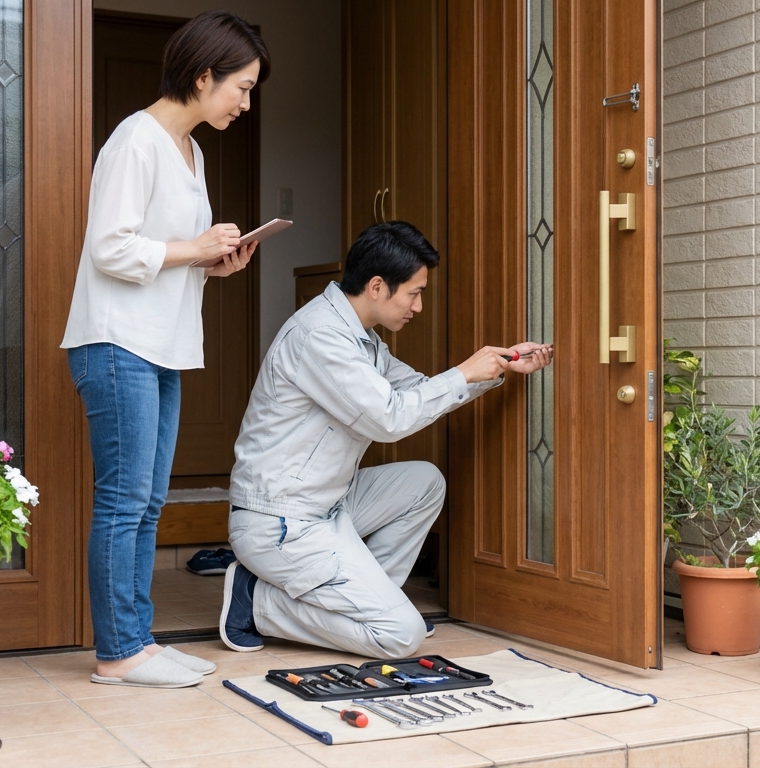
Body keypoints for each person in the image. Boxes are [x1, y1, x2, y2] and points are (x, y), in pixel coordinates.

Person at [220, 221, 553, 659]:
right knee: (399, 636)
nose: (418, 306)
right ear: (377, 286)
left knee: (424, 482)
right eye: (414, 293)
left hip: (327, 506)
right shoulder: (321, 336)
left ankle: (371, 602)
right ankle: (256, 601)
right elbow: (390, 418)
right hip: (281, 522)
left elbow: (416, 390)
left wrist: (498, 368)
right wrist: (464, 373)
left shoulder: (363, 340)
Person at [61, 10, 269, 689]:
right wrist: (197, 247)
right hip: (117, 342)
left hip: (161, 345)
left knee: (149, 503)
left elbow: (163, 253)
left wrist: (214, 262)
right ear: (202, 76)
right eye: (240, 87)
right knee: (125, 501)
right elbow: (110, 248)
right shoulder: (135, 141)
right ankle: (119, 650)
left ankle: (139, 642)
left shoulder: (190, 151)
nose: (245, 102)